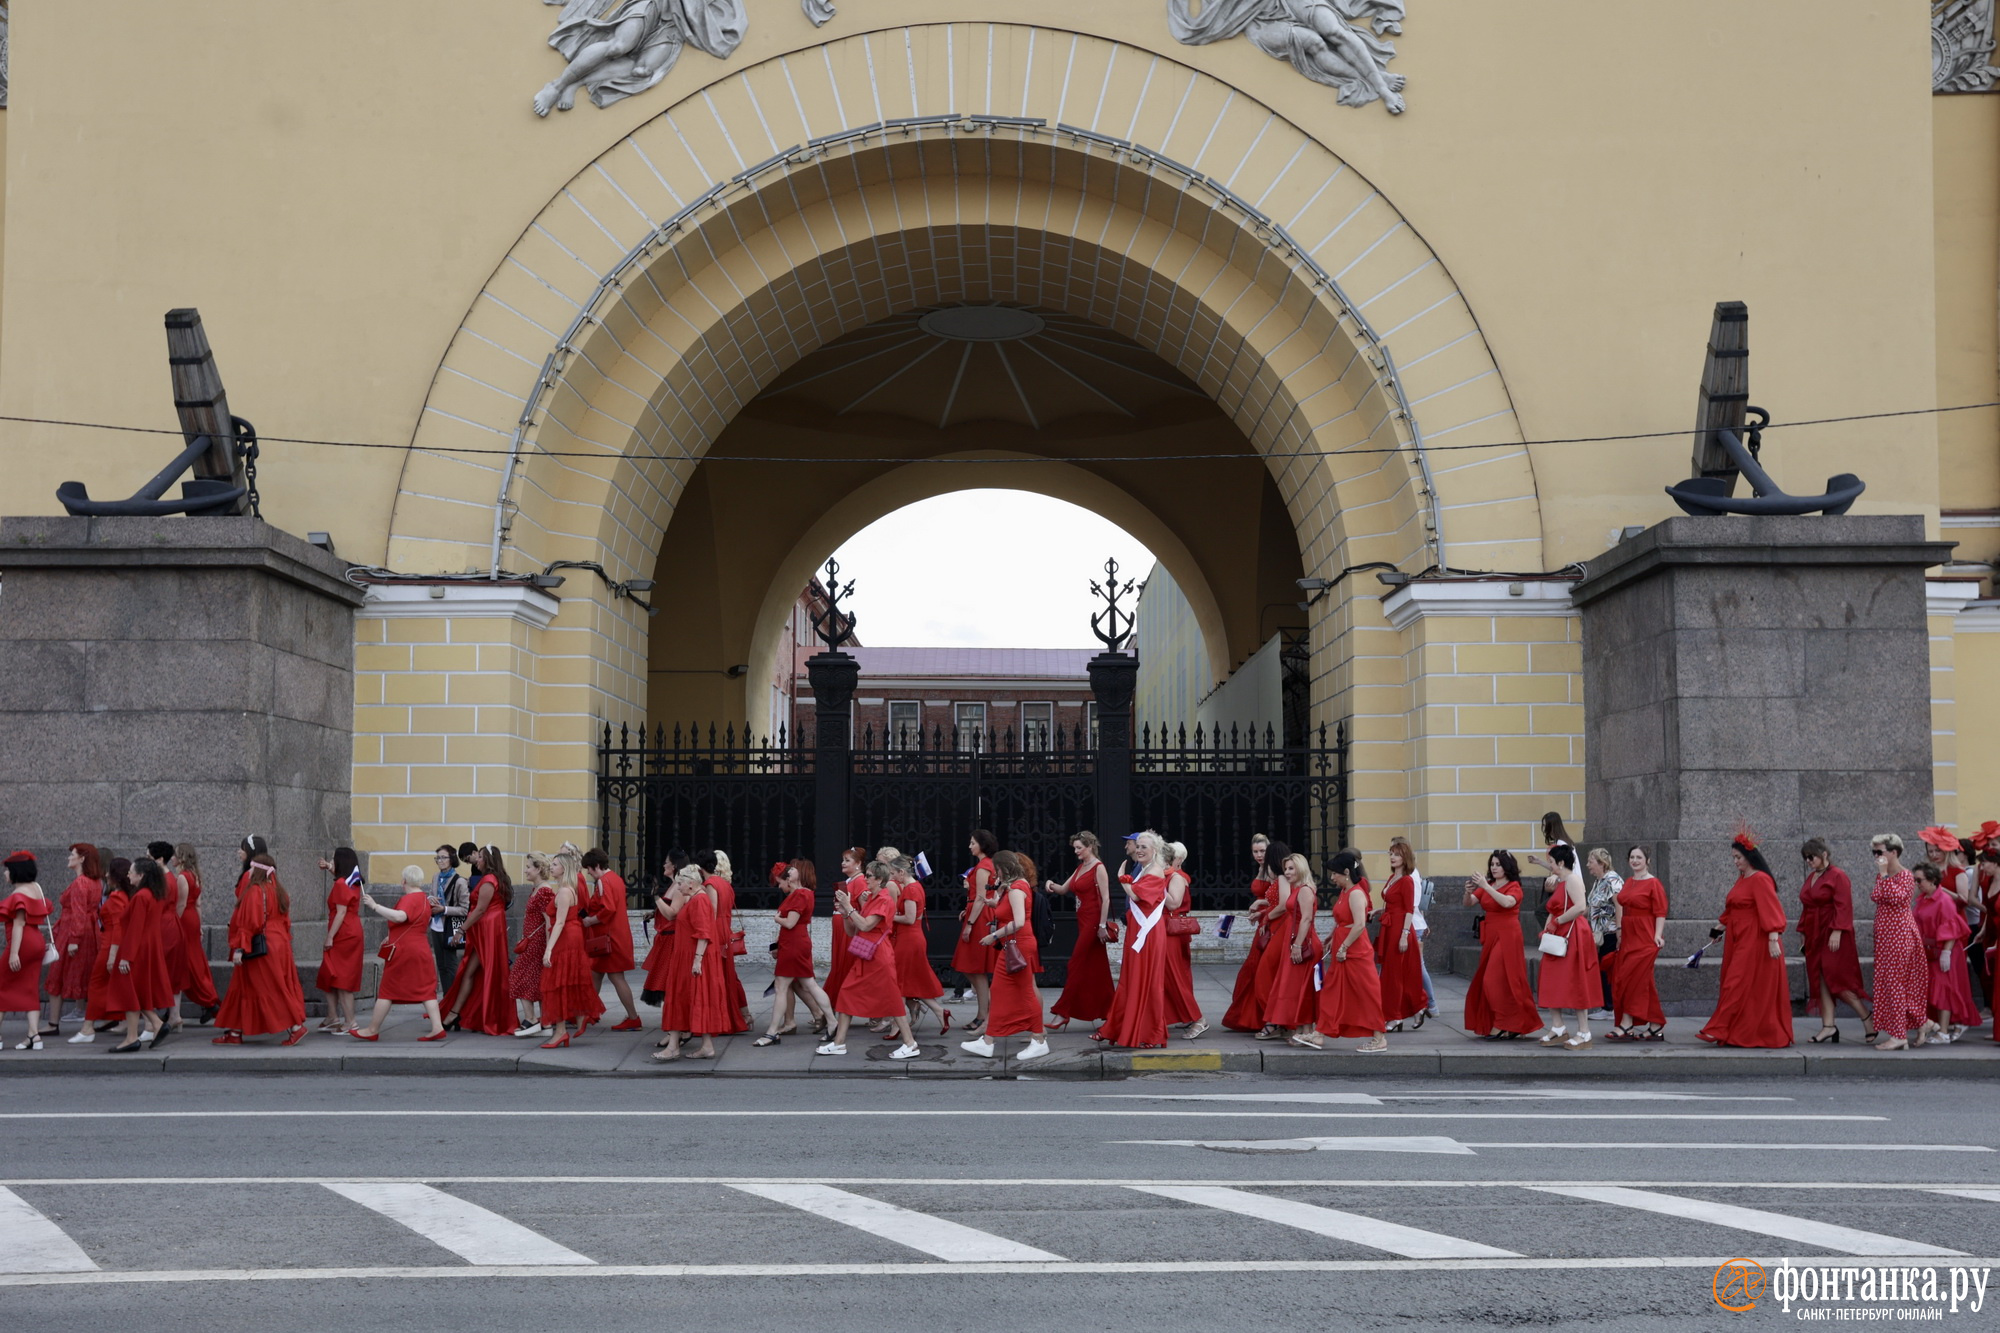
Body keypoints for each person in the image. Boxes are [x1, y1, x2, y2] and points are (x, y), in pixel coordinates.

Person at [1696, 829, 1792, 1049]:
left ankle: (1720, 1028)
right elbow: (1734, 908)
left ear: (1749, 857)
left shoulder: (1760, 879)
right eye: (1734, 858)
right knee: (1739, 983)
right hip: (1739, 937)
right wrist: (1719, 928)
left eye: (1738, 857)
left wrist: (1773, 937)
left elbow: (1772, 910)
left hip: (1754, 939)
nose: (1735, 861)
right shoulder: (1744, 878)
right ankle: (1734, 1030)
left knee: (1736, 982)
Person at [818, 860, 921, 1059]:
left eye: (869, 876)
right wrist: (845, 912)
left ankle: (910, 1043)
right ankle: (839, 1043)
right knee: (847, 993)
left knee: (892, 999)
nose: (865, 879)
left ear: (879, 879)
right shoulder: (872, 898)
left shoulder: (883, 899)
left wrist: (849, 907)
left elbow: (865, 926)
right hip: (867, 954)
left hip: (878, 955)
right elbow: (853, 929)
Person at [212, 840, 307, 1046]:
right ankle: (235, 1033)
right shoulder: (278, 890)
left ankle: (295, 1028)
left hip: (261, 945)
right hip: (278, 942)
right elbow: (284, 920)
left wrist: (239, 948)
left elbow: (251, 922)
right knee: (245, 986)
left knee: (266, 988)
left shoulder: (255, 891)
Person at [1293, 851, 1386, 1052]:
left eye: (1335, 874)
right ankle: (1319, 1034)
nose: (1332, 877)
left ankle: (1379, 1038)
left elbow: (1360, 924)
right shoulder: (1345, 892)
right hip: (1343, 949)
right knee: (1331, 992)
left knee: (1366, 994)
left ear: (1345, 872)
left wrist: (1343, 946)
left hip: (1355, 951)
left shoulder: (1356, 893)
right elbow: (1345, 921)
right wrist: (1332, 937)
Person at [961, 851, 1049, 1061]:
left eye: (997, 869)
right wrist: (994, 904)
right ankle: (989, 1040)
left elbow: (1019, 921)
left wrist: (993, 935)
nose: (995, 873)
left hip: (1018, 944)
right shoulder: (1014, 886)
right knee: (1001, 991)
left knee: (1023, 991)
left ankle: (1037, 1039)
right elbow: (1011, 913)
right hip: (1015, 945)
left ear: (1004, 868)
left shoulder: (1017, 888)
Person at [351, 866, 447, 1042]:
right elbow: (412, 923)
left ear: (404, 881)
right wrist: (390, 936)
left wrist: (375, 905)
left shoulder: (409, 899)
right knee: (427, 989)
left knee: (387, 990)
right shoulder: (425, 899)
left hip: (404, 951)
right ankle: (437, 1027)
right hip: (421, 948)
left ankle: (372, 1029)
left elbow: (400, 917)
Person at [1797, 837, 1871, 1043]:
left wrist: (1837, 930)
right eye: (1806, 858)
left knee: (1837, 979)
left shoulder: (1838, 876)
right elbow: (1807, 907)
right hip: (1815, 933)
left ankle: (1866, 1016)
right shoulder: (1812, 877)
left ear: (1824, 854)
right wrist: (1803, 932)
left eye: (1811, 856)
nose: (1808, 860)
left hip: (1832, 933)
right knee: (1820, 977)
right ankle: (1828, 1026)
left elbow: (1844, 905)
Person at [1463, 849, 1541, 1039]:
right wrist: (1468, 892)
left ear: (1507, 867)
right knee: (1497, 980)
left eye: (1498, 864)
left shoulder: (1513, 886)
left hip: (1508, 935)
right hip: (1491, 934)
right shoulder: (1488, 884)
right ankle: (1510, 1024)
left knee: (1494, 979)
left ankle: (1503, 1023)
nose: (1494, 868)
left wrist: (1486, 887)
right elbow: (1469, 903)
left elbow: (1507, 903)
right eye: (1492, 864)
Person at [755, 859, 832, 1045]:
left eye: (780, 882)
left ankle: (772, 1031)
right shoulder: (804, 893)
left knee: (783, 986)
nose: (780, 887)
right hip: (796, 943)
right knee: (809, 984)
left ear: (788, 880)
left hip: (794, 944)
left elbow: (790, 923)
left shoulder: (799, 895)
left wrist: (776, 919)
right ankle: (832, 1022)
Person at [1865, 833, 1928, 1051]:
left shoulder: (1905, 875)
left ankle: (1899, 1035)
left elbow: (1898, 898)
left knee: (1895, 983)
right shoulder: (1883, 877)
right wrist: (1882, 877)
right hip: (1885, 937)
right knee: (1890, 982)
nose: (1876, 856)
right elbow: (1875, 895)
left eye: (1880, 852)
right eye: (1874, 852)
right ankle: (1924, 1023)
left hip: (1899, 935)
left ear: (1893, 852)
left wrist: (1883, 875)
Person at [1044, 831, 1113, 1030]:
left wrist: (1101, 926)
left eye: (1079, 848)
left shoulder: (1098, 867)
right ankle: (1111, 1013)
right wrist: (1050, 884)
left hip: (1092, 923)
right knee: (1098, 970)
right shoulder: (1081, 867)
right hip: (1083, 921)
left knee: (1075, 964)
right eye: (1075, 848)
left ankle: (1062, 1012)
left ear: (1090, 847)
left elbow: (1106, 898)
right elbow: (1064, 889)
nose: (1076, 851)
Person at [103, 858, 173, 1053]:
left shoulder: (141, 896)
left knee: (129, 992)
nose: (128, 875)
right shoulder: (154, 894)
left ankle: (132, 1038)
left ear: (141, 875)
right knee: (137, 992)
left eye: (132, 872)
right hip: (147, 947)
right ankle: (156, 1023)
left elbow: (135, 928)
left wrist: (126, 956)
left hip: (137, 949)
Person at [1533, 844, 1598, 1049]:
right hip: (1559, 934)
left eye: (1551, 862)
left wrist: (1556, 922)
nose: (1550, 865)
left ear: (1561, 862)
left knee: (1576, 981)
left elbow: (1580, 907)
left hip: (1573, 935)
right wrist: (1547, 930)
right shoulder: (1561, 881)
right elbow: (1554, 910)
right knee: (1551, 979)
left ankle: (1584, 1031)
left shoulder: (1572, 880)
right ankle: (1558, 1027)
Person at [442, 846, 513, 1035]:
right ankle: (455, 1013)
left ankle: (459, 1014)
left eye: (480, 857)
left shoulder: (489, 880)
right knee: (473, 972)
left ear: (488, 860)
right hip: (487, 929)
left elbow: (481, 909)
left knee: (484, 972)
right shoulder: (492, 879)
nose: (477, 860)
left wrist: (461, 931)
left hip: (487, 930)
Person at [538, 849, 605, 1049]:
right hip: (569, 935)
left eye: (555, 864)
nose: (551, 867)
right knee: (566, 981)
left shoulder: (566, 891)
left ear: (564, 868)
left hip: (566, 938)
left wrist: (548, 949)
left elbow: (559, 923)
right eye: (552, 864)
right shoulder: (566, 889)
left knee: (558, 983)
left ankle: (563, 1029)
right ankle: (572, 1021)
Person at [1605, 845, 1667, 1041]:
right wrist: (1620, 933)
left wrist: (1658, 935)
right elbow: (1622, 905)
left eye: (1639, 857)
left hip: (1645, 937)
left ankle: (1626, 1023)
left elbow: (1660, 912)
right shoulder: (1630, 881)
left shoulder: (1653, 883)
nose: (1635, 860)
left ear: (1647, 861)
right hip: (1629, 937)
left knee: (1630, 979)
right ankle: (1656, 1025)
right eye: (1632, 857)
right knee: (1641, 982)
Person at [1914, 862, 1977, 1043]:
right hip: (1931, 951)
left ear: (1933, 880)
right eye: (1915, 880)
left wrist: (1946, 953)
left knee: (1944, 989)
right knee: (1937, 989)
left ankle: (1942, 1031)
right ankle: (1945, 1027)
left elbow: (1951, 927)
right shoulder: (1924, 898)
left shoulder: (1943, 900)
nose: (1917, 883)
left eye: (1920, 880)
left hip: (1943, 951)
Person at [1221, 833, 1278, 1033]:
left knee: (1259, 968)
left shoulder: (1273, 868)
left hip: (1270, 920)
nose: (1259, 855)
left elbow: (1280, 899)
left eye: (1262, 851)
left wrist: (1262, 906)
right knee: (1253, 968)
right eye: (1255, 851)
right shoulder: (1263, 868)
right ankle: (1253, 1017)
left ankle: (1263, 1017)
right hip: (1263, 919)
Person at [581, 849, 644, 1031]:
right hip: (616, 935)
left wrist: (589, 921)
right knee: (597, 974)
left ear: (597, 866)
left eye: (590, 869)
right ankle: (589, 1013)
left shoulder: (603, 882)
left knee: (616, 977)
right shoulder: (616, 879)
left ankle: (633, 1017)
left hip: (609, 937)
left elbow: (608, 909)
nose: (589, 873)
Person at [651, 866, 711, 1059]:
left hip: (689, 956)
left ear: (691, 884)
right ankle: (692, 1046)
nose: (677, 887)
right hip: (683, 955)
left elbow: (704, 933)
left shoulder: (699, 900)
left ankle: (675, 1047)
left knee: (682, 999)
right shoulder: (696, 898)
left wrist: (697, 960)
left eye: (680, 883)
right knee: (683, 1000)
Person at [888, 851, 950, 1035]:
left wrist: (889, 916)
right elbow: (917, 916)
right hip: (913, 937)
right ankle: (940, 1012)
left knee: (899, 982)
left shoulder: (910, 889)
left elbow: (909, 918)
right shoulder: (916, 887)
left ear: (901, 872)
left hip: (908, 939)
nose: (892, 877)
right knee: (910, 981)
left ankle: (897, 1025)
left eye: (893, 872)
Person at [1266, 853, 1323, 1049]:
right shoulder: (1298, 889)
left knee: (1303, 988)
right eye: (1286, 869)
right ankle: (1301, 1030)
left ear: (1301, 869)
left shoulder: (1305, 890)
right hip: (1298, 940)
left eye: (1291, 868)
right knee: (1298, 988)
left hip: (1304, 943)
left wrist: (1297, 945)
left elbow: (1306, 919)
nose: (1287, 872)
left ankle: (1306, 1032)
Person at [48, 844, 103, 1039]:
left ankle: (53, 1023)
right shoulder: (95, 882)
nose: (69, 858)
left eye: (72, 855)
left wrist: (74, 940)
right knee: (85, 976)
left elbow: (79, 913)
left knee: (57, 975)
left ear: (82, 859)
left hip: (73, 931)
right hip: (89, 931)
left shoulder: (81, 882)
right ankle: (87, 1023)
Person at [1, 852, 51, 1049]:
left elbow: (18, 925)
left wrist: (13, 953)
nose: (5, 873)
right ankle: (34, 1035)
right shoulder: (36, 888)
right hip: (36, 941)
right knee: (30, 987)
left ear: (16, 871)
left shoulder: (18, 894)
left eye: (7, 870)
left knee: (2, 986)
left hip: (22, 943)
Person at [313, 848, 365, 1034]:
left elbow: (341, 912)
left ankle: (350, 1022)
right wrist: (328, 867)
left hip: (343, 934)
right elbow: (340, 877)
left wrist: (329, 937)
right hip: (351, 931)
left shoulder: (341, 884)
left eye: (333, 859)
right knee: (328, 974)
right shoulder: (352, 881)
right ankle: (333, 1016)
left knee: (340, 978)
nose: (331, 861)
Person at [1376, 837, 1426, 1031]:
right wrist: (1379, 912)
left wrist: (1404, 934)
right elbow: (1392, 903)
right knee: (1393, 974)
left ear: (1405, 858)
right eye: (1391, 853)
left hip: (1400, 930)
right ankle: (1415, 1008)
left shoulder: (1407, 880)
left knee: (1394, 975)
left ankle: (1395, 1015)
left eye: (1397, 854)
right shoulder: (1393, 878)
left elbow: (1408, 910)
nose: (1392, 857)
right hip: (1390, 927)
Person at [952, 830, 999, 1031]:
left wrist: (970, 923)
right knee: (972, 967)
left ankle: (984, 1015)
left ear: (982, 844)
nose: (970, 846)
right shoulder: (988, 865)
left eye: (973, 843)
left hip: (979, 918)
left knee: (975, 968)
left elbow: (981, 897)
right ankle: (984, 1013)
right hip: (977, 913)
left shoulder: (982, 867)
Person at [699, 850, 750, 1031]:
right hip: (725, 929)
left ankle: (721, 1020)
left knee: (716, 977)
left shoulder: (710, 884)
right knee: (727, 976)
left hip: (716, 932)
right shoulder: (725, 884)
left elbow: (710, 912)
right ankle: (737, 1016)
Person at [168, 844, 219, 1025]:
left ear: (181, 857)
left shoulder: (182, 877)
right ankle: (208, 1000)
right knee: (194, 959)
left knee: (187, 960)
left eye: (174, 855)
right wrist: (199, 925)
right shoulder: (196, 876)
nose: (171, 858)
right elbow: (198, 904)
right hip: (192, 919)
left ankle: (208, 1001)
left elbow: (180, 904)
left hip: (184, 919)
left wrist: (174, 925)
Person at [1161, 841, 1207, 1039]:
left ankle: (1198, 1018)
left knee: (1176, 977)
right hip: (1163, 930)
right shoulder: (1165, 876)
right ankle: (1182, 1015)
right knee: (1169, 977)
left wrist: (1155, 887)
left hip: (1172, 931)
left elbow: (1174, 904)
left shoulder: (1176, 877)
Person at [508, 852, 556, 1039]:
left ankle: (531, 1019)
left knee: (518, 976)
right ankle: (546, 1023)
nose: (525, 870)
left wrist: (548, 948)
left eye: (528, 867)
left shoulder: (544, 891)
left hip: (537, 944)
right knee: (538, 982)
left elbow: (549, 921)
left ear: (538, 869)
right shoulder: (537, 889)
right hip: (532, 942)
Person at [823, 847, 868, 1015]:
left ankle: (837, 1005)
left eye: (847, 860)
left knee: (846, 967)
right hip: (843, 926)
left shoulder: (860, 881)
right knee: (840, 966)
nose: (843, 863)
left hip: (849, 928)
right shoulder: (850, 881)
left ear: (858, 864)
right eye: (843, 860)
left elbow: (864, 909)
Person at [1583, 847, 1622, 1020]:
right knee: (1601, 969)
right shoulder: (1599, 881)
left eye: (1591, 862)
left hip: (1611, 932)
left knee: (1607, 969)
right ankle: (1606, 1005)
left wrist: (1620, 929)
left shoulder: (1612, 880)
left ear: (1601, 863)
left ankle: (1610, 1008)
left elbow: (1620, 905)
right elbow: (1591, 906)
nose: (1588, 865)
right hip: (1599, 934)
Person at [426, 845, 469, 1000]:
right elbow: (432, 895)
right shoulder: (436, 877)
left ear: (452, 859)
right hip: (435, 925)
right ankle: (446, 998)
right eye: (438, 858)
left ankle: (453, 1001)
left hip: (449, 927)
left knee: (450, 966)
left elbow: (465, 909)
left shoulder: (459, 882)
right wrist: (430, 900)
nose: (440, 861)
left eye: (444, 857)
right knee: (441, 965)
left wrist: (443, 909)